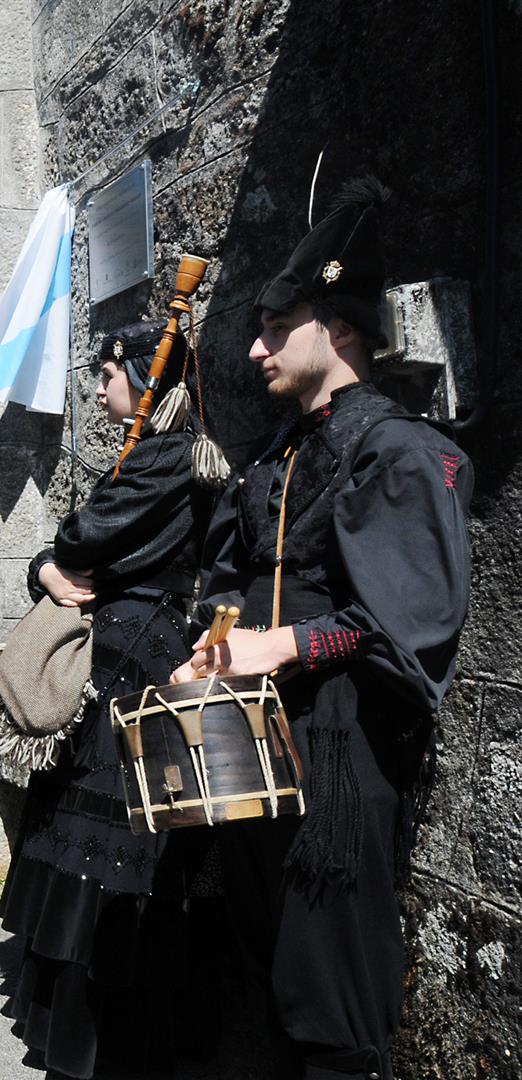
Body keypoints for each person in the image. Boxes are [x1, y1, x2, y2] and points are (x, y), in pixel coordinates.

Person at [170, 181, 472, 1080]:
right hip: (253, 740)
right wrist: (214, 647)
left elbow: (412, 622)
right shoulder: (280, 450)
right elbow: (234, 576)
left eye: (276, 327)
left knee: (330, 992)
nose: (256, 347)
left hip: (339, 748)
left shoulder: (401, 450)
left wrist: (290, 646)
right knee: (262, 965)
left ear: (336, 329)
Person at [0, 322, 219, 1078]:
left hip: (138, 657)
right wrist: (46, 569)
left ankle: (97, 1044)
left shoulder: (169, 455)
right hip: (121, 646)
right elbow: (70, 552)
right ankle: (62, 1024)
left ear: (149, 382)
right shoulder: (154, 452)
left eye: (107, 374)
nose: (96, 389)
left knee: (117, 844)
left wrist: (55, 559)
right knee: (78, 827)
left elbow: (84, 536)